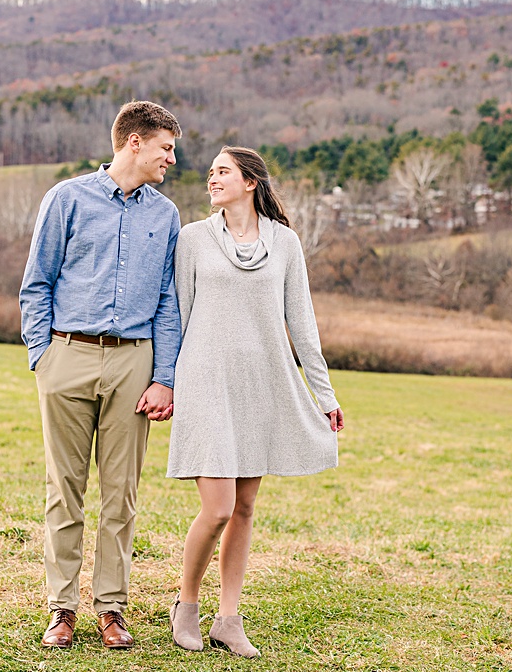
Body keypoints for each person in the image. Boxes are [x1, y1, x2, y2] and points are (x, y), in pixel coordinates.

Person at [166, 146, 345, 658]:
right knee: (218, 506)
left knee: (245, 507)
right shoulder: (192, 239)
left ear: (250, 182)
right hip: (206, 381)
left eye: (223, 172)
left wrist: (324, 394)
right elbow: (177, 315)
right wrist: (166, 381)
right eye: (211, 173)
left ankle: (228, 617)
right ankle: (188, 604)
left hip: (262, 382)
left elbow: (302, 324)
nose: (211, 179)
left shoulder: (284, 242)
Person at [19, 100, 182, 650]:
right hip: (67, 356)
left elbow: (167, 302)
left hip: (135, 364)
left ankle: (111, 608)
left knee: (122, 495)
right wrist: (43, 357)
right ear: (133, 142)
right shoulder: (66, 198)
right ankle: (60, 608)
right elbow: (36, 282)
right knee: (63, 490)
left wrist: (164, 376)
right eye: (165, 148)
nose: (172, 159)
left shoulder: (166, 215)